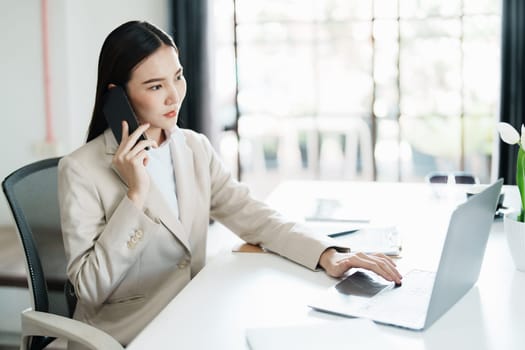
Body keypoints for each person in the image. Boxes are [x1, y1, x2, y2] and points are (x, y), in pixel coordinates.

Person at [58, 20, 402, 348]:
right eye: (155, 86)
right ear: (117, 96)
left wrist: (326, 254)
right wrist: (135, 196)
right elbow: (90, 287)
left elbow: (253, 216)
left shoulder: (193, 148)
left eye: (177, 77)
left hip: (191, 318)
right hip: (129, 336)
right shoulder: (81, 170)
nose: (174, 96)